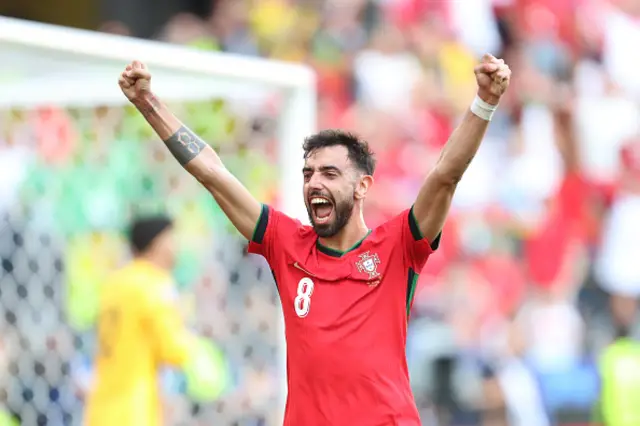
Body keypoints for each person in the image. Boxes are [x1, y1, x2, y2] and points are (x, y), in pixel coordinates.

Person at [117, 54, 511, 425]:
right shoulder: (285, 242)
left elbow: (445, 174)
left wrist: (485, 103)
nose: (314, 183)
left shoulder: (397, 246)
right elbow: (213, 173)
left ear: (362, 186)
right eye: (308, 174)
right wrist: (148, 103)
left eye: (329, 173)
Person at [84, 216, 224, 426]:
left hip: (101, 406)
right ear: (157, 243)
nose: (177, 247)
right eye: (172, 239)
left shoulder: (115, 283)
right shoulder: (154, 284)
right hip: (134, 410)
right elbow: (174, 349)